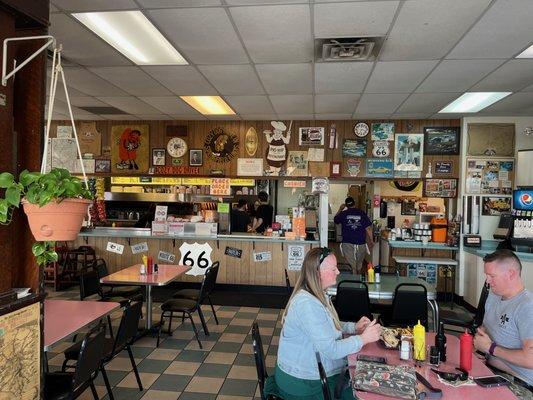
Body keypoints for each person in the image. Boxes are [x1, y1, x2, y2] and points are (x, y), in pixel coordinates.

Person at [265, 247, 382, 399]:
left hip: (310, 375)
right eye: (334, 268)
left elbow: (326, 325)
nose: (338, 272)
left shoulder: (315, 294)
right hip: (303, 384)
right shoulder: (306, 305)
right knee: (366, 393)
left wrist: (354, 327)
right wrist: (363, 339)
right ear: (318, 273)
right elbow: (331, 350)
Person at [473, 250, 533, 392]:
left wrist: (490, 348)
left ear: (511, 274)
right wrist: (479, 349)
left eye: (492, 276)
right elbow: (486, 329)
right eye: (486, 275)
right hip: (490, 369)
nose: (487, 281)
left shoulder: (527, 307)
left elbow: (531, 359)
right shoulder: (494, 295)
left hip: (519, 382)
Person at [333, 197, 373, 274]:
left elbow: (335, 220)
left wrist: (340, 209)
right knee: (359, 264)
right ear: (354, 203)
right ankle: (358, 278)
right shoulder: (361, 213)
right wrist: (371, 240)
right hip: (361, 242)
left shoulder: (343, 214)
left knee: (351, 264)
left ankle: (354, 278)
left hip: (347, 242)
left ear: (346, 205)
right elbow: (368, 228)